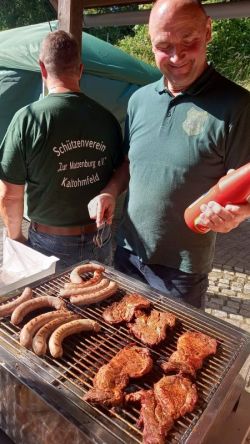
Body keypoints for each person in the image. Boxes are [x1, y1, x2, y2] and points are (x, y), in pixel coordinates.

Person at [88, 0, 250, 308]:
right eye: (164, 46)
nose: (177, 56)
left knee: (174, 355)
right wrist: (109, 192)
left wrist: (237, 216)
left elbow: (245, 190)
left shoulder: (238, 106)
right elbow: (129, 162)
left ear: (208, 31)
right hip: (127, 253)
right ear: (151, 43)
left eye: (189, 40)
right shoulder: (138, 101)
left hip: (182, 271)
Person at [0, 30, 123, 271]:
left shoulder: (27, 120)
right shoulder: (106, 119)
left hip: (49, 244)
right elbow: (119, 174)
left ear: (42, 69)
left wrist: (15, 238)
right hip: (101, 237)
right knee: (99, 306)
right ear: (80, 69)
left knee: (54, 307)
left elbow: (9, 195)